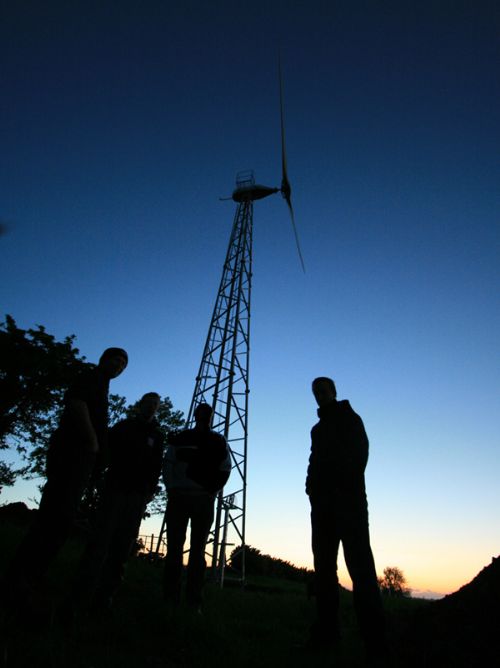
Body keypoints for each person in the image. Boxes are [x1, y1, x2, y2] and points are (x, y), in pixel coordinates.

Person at [2, 347, 128, 601]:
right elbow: (77, 403)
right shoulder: (90, 378)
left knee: (60, 519)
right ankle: (20, 578)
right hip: (72, 455)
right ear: (103, 359)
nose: (119, 366)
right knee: (54, 517)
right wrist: (92, 443)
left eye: (123, 364)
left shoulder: (102, 385)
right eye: (116, 360)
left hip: (82, 460)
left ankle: (31, 575)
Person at [305, 376, 386, 663]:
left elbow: (359, 456)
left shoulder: (351, 419)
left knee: (361, 569)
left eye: (324, 390)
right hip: (323, 508)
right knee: (324, 570)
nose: (320, 395)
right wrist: (311, 489)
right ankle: (327, 633)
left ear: (334, 392)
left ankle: (375, 640)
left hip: (349, 505)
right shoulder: (317, 429)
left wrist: (339, 486)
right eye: (316, 392)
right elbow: (313, 461)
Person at [68, 392, 165, 614]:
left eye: (155, 404)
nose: (151, 406)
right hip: (115, 489)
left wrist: (149, 491)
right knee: (100, 540)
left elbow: (156, 466)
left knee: (123, 544)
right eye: (148, 402)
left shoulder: (157, 436)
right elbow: (107, 452)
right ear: (140, 404)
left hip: (138, 495)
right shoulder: (123, 427)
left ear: (157, 408)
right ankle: (82, 589)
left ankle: (107, 594)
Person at [163, 402, 230, 610]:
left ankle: (193, 600)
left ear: (211, 417)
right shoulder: (180, 438)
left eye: (207, 414)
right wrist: (171, 487)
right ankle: (170, 597)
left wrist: (212, 491)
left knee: (197, 550)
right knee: (174, 548)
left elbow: (225, 469)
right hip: (179, 497)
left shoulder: (218, 441)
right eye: (201, 414)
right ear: (195, 415)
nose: (203, 417)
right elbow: (168, 463)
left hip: (203, 499)